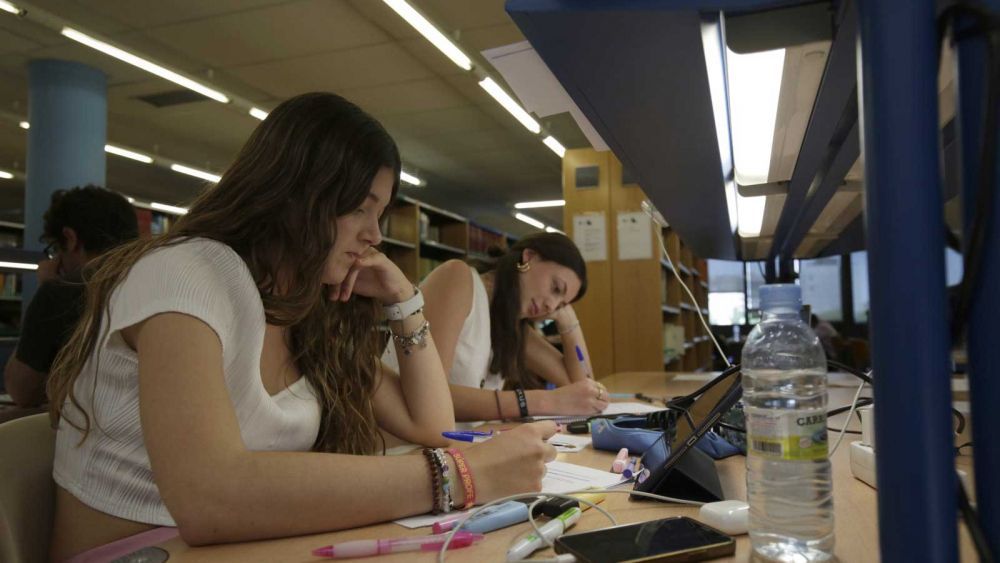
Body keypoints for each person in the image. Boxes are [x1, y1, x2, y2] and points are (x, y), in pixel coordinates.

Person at [46, 92, 557, 561]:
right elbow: (210, 496)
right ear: (293, 195)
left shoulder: (303, 308)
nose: (375, 234)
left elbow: (431, 426)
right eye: (360, 208)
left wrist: (403, 299)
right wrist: (462, 475)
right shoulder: (187, 273)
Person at [382, 233, 608, 422]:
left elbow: (583, 389)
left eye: (560, 304)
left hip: (454, 451)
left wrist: (568, 322)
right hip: (401, 449)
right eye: (555, 287)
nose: (551, 305)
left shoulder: (510, 323)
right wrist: (543, 401)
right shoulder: (458, 279)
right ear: (528, 257)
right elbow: (430, 397)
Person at [3, 186, 138, 408]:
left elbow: (22, 391)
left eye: (56, 249)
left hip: (90, 432)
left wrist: (46, 289)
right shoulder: (154, 280)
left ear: (70, 238)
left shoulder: (63, 291)